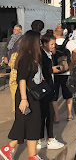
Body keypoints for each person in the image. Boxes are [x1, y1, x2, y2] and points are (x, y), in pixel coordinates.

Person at [0, 31, 44, 160]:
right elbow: (22, 79)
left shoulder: (32, 56)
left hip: (32, 94)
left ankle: (32, 155)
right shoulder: (26, 58)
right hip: (27, 95)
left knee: (33, 125)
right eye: (39, 41)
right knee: (25, 123)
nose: (40, 43)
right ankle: (9, 148)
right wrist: (24, 99)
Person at [38, 32, 65, 151]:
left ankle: (44, 139)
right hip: (45, 87)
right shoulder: (41, 55)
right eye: (52, 44)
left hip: (48, 85)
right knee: (47, 113)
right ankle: (48, 139)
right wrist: (51, 70)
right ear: (44, 44)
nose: (54, 46)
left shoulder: (47, 53)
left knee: (47, 113)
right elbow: (42, 71)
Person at [53, 28, 74, 123]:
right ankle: (69, 114)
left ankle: (56, 117)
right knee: (68, 94)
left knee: (54, 96)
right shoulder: (69, 43)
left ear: (54, 33)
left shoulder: (52, 43)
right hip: (67, 72)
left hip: (55, 72)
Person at [4, 24, 23, 112]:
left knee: (15, 84)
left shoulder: (22, 39)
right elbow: (6, 48)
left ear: (20, 30)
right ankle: (14, 105)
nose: (14, 31)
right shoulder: (11, 38)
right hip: (11, 62)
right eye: (14, 30)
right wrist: (5, 56)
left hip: (17, 63)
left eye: (16, 30)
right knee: (13, 85)